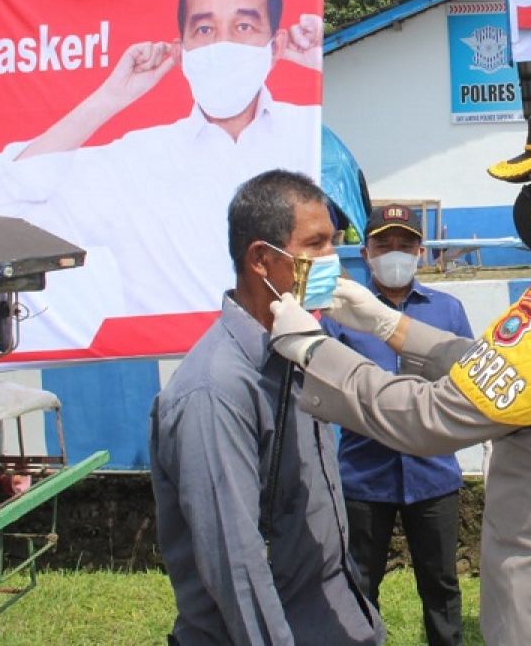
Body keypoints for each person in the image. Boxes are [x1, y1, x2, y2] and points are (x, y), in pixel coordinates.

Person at [270, 104, 531, 644]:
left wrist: (312, 351)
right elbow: (507, 370)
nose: (528, 201)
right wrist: (389, 324)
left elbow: (433, 416)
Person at [0, 0, 324, 320]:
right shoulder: (135, 160)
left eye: (243, 26)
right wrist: (107, 100)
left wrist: (320, 67)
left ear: (275, 45)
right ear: (182, 50)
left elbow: (336, 259)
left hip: (295, 357)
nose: (222, 45)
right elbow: (0, 221)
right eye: (204, 30)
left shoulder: (312, 136)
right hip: (177, 366)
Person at [149, 170, 382, 646]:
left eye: (333, 243)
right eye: (315, 245)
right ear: (261, 259)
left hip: (334, 619)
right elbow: (236, 564)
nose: (330, 261)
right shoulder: (215, 391)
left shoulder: (292, 352)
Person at [323, 204, 472, 646]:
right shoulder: (343, 312)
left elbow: (466, 381)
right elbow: (329, 386)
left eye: (404, 245)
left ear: (421, 252)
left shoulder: (447, 310)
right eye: (383, 244)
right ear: (365, 252)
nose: (394, 253)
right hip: (364, 475)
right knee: (359, 585)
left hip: (434, 474)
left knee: (441, 585)